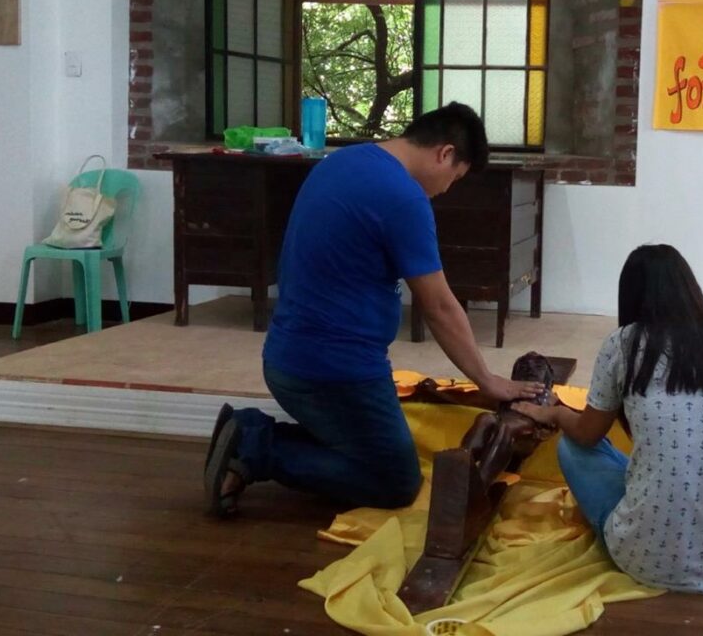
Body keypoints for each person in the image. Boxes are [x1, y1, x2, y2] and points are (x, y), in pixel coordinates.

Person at [204, 102, 542, 517]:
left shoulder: (342, 161)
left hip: (286, 356)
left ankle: (251, 437)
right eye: (454, 178)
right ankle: (254, 444)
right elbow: (439, 306)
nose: (445, 190)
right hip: (333, 371)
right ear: (445, 153)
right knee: (395, 481)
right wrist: (487, 381)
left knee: (370, 446)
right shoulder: (402, 197)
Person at [514, 244, 703, 594]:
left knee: (572, 448)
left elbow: (586, 434)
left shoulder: (623, 344)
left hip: (644, 559)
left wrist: (554, 411)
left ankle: (650, 513)